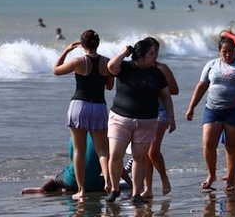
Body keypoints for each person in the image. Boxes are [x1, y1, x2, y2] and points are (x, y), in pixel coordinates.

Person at [107, 38, 175, 203]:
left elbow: (166, 95)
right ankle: (114, 188)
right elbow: (110, 67)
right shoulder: (125, 67)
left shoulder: (157, 73)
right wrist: (124, 52)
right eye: (151, 54)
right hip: (120, 119)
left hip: (147, 122)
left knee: (140, 157)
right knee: (116, 155)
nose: (155, 56)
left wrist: (171, 117)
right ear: (141, 56)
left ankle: (136, 193)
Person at [185, 36, 235, 192]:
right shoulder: (211, 65)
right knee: (208, 144)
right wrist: (191, 107)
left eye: (231, 51)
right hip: (213, 110)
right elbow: (202, 86)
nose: (228, 55)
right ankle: (211, 175)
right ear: (219, 52)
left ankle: (231, 179)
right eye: (224, 52)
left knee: (232, 146)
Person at [52, 29, 114, 199]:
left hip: (79, 106)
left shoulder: (79, 61)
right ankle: (108, 182)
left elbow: (56, 70)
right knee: (102, 150)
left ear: (82, 45)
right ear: (98, 44)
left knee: (79, 151)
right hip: (99, 106)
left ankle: (81, 190)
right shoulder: (107, 62)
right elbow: (109, 86)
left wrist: (66, 50)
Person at [143, 37, 179, 198]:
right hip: (144, 112)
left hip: (161, 111)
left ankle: (164, 178)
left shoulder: (162, 68)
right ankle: (148, 189)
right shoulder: (140, 68)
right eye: (152, 51)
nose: (155, 54)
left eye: (157, 51)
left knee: (152, 150)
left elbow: (174, 89)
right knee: (145, 153)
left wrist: (157, 88)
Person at [21, 135, 105, 195]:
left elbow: (73, 158)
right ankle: (68, 190)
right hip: (94, 185)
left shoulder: (74, 136)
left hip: (71, 181)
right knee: (103, 179)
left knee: (56, 179)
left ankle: (43, 189)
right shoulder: (104, 137)